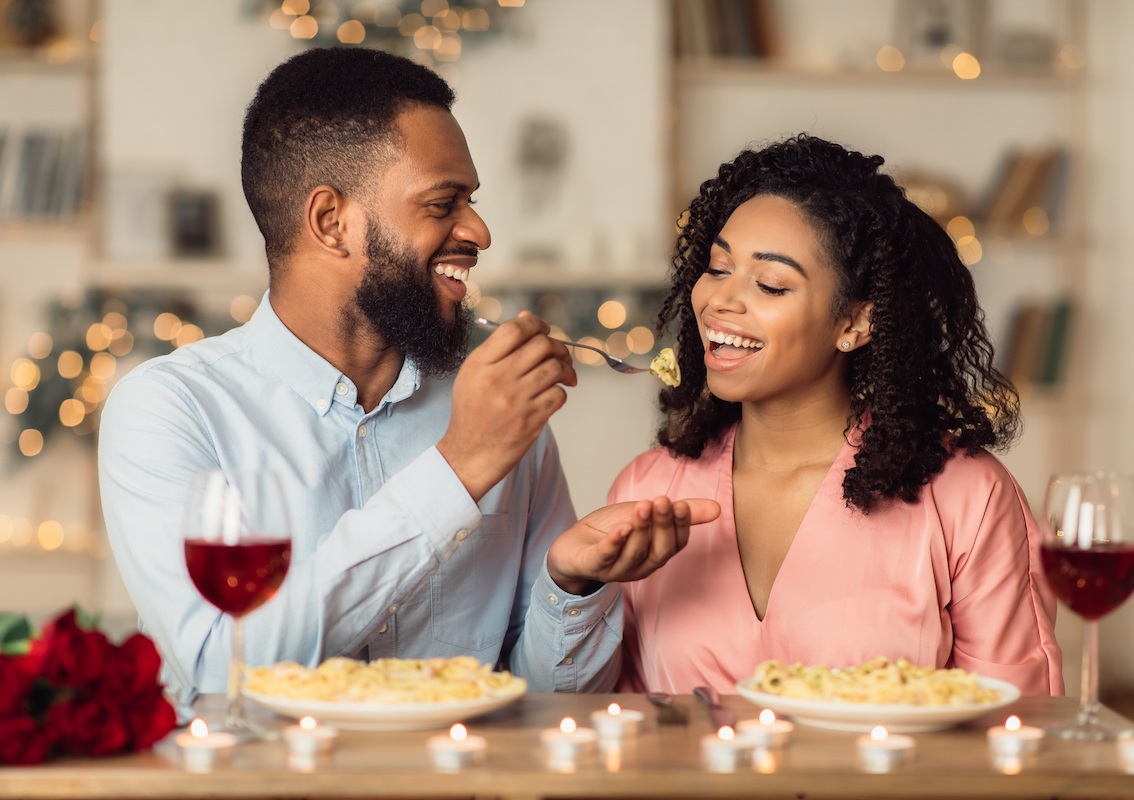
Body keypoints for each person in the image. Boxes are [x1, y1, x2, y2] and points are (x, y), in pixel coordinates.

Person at [98, 48, 718, 703]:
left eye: (470, 201)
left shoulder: (497, 397)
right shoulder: (170, 410)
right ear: (331, 222)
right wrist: (457, 469)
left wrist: (572, 587)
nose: (478, 231)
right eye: (443, 203)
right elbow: (220, 666)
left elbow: (544, 703)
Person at [611, 134, 1064, 696]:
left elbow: (1014, 723)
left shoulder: (967, 497)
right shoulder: (648, 488)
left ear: (855, 323)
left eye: (771, 284)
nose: (719, 301)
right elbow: (621, 716)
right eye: (718, 267)